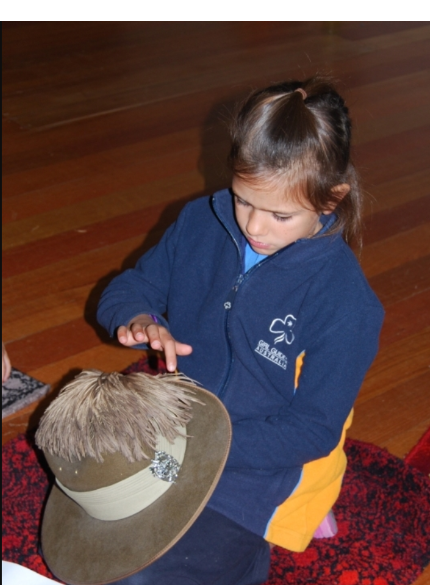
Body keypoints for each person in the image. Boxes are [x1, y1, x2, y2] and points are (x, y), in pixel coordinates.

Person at [97, 76, 384, 584]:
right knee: (93, 537)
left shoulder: (346, 303)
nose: (254, 226)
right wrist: (141, 320)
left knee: (140, 577)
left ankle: (256, 552)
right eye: (243, 199)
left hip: (256, 473)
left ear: (331, 199)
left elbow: (313, 430)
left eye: (280, 215)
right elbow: (132, 288)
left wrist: (206, 445)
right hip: (176, 432)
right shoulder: (199, 222)